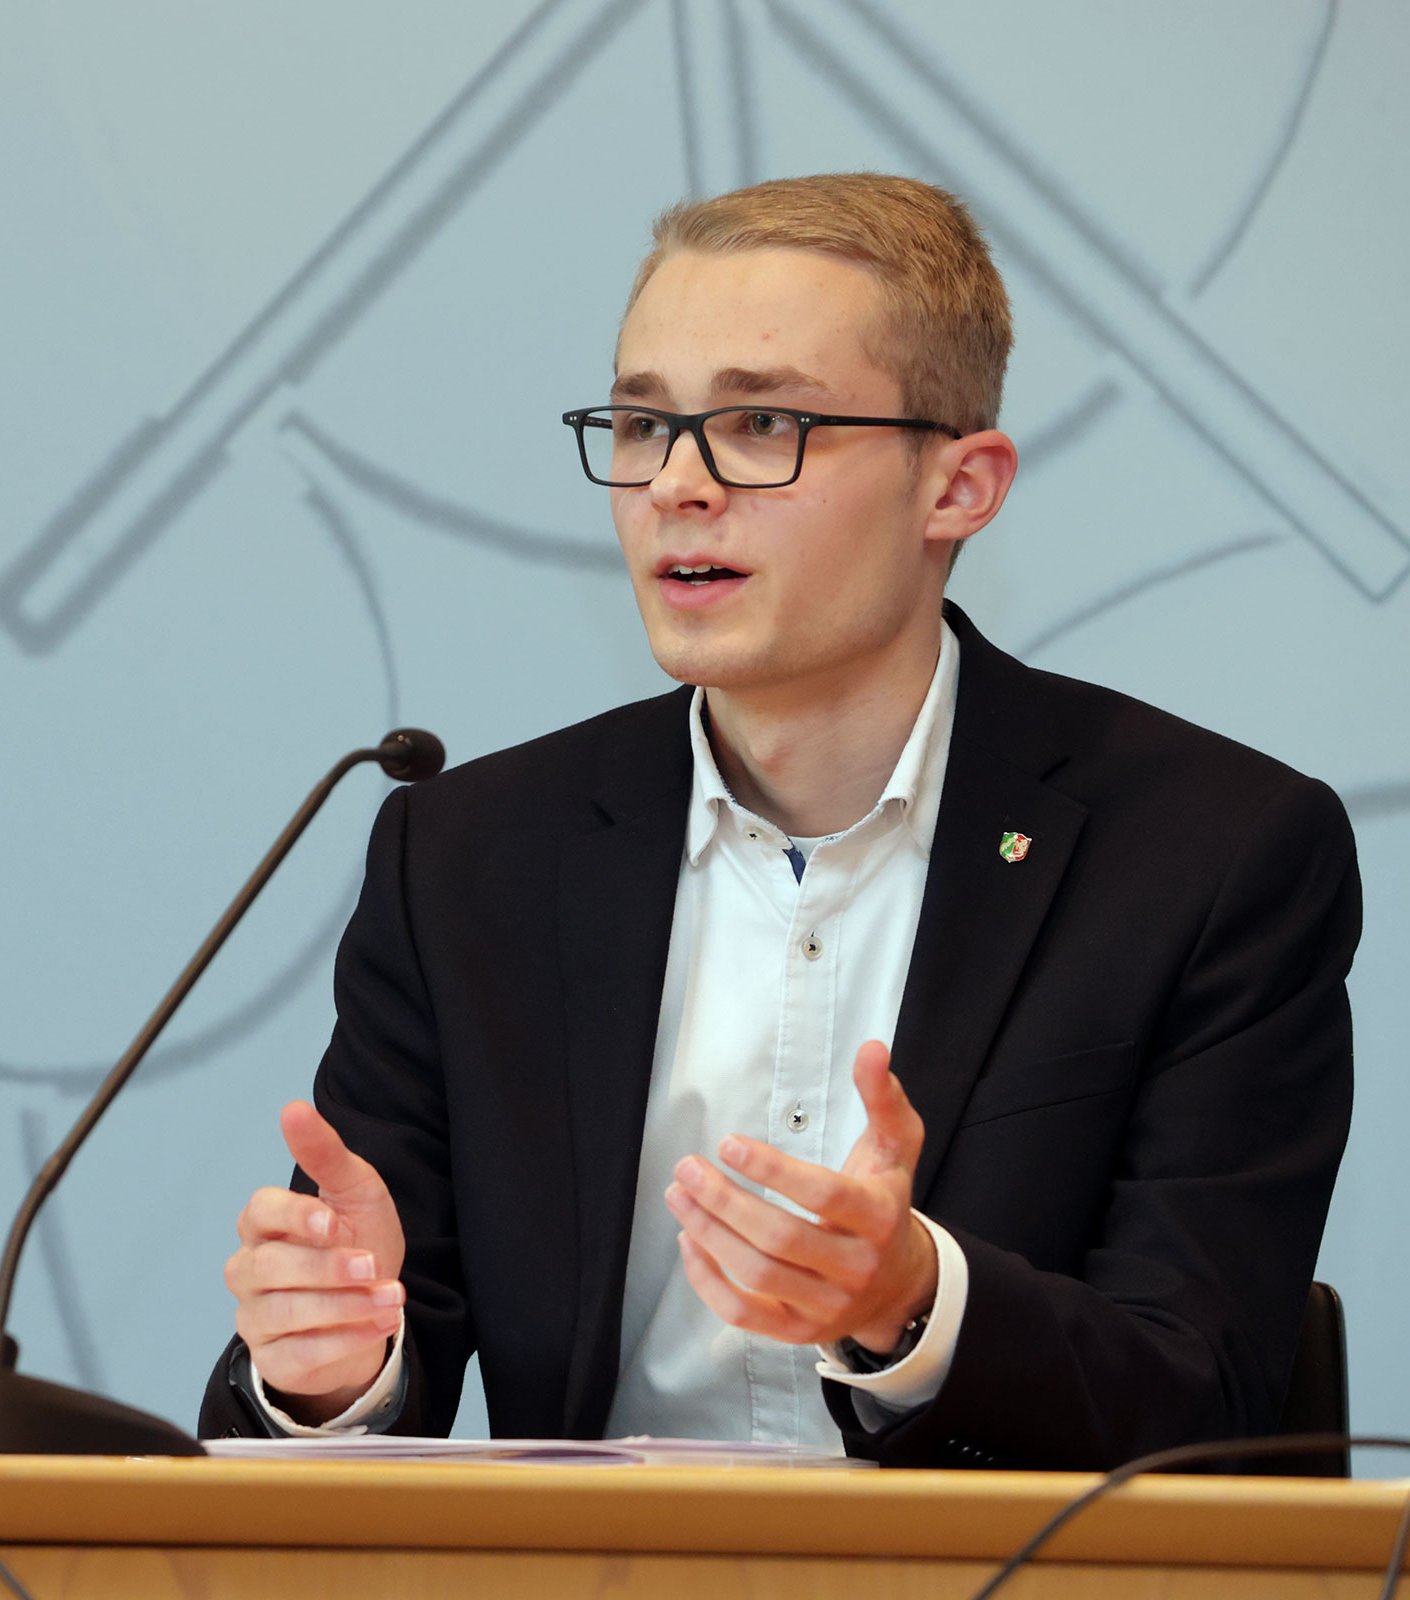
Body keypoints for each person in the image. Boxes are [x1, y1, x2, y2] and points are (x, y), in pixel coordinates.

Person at [201, 174, 1357, 1469]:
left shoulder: (1210, 855)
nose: (677, 488)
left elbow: (1206, 1402)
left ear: (959, 488)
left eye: (761, 422)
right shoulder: (472, 857)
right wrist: (332, 1371)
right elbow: (351, 1384)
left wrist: (912, 1302)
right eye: (642, 425)